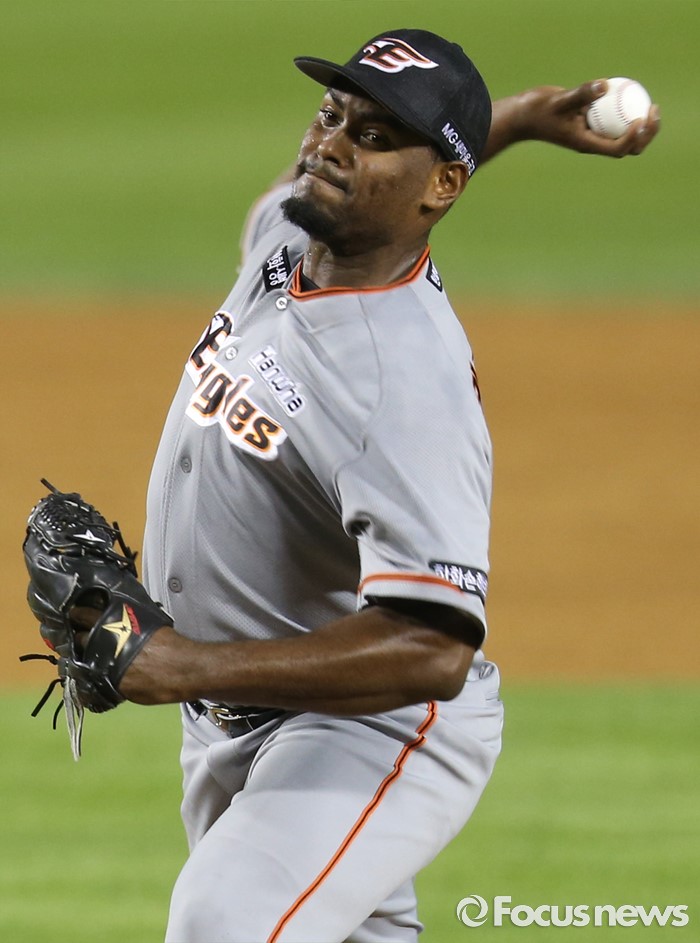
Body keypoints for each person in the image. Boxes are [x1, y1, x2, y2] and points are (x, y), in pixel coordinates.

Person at [111, 29, 658, 943]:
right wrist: (521, 117)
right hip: (236, 725)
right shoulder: (290, 236)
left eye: (371, 137)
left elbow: (432, 644)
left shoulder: (404, 385)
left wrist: (185, 664)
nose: (329, 145)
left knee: (224, 923)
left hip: (375, 729)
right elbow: (396, 166)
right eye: (331, 114)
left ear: (441, 186)